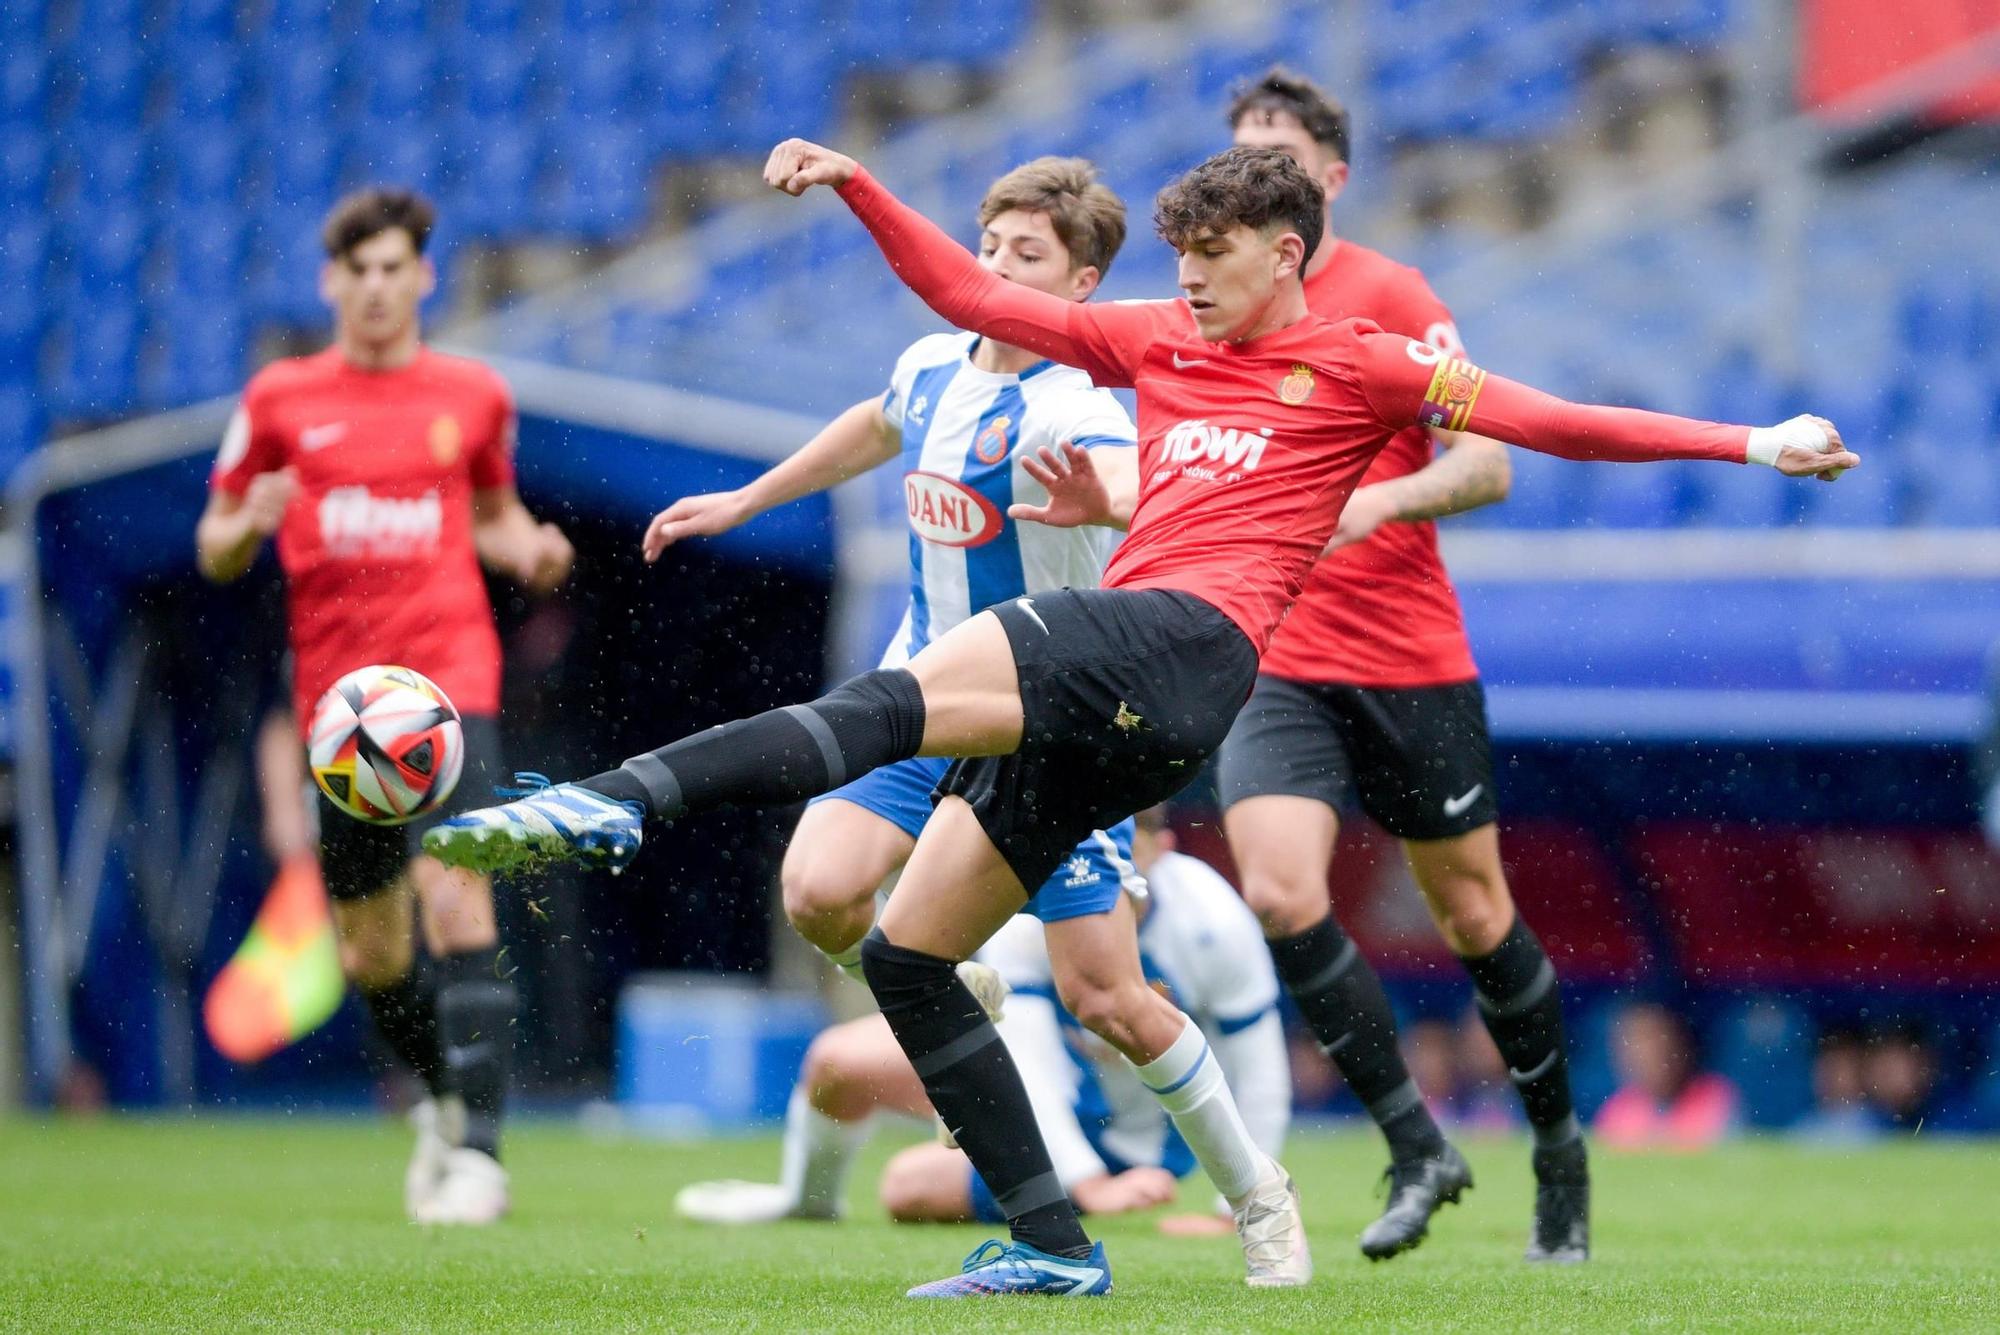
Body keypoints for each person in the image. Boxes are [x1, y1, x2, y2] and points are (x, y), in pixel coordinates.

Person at [424, 141, 1854, 1296]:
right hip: (1129, 692)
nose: (1193, 285)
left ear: (1285, 253)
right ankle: (1053, 1242)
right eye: (1178, 263)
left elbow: (1552, 421)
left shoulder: (1361, 359)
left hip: (1187, 645)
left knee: (887, 703)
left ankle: (605, 801)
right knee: (918, 955)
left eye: (1215, 260)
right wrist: (865, 188)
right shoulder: (1156, 341)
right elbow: (982, 307)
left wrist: (1753, 442)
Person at [1214, 67, 1586, 1263]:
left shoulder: (1390, 294)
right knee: (1276, 890)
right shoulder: (1209, 307)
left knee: (1473, 913)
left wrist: (1376, 507)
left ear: (1328, 178)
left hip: (1407, 657)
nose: (1251, 182)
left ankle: (1557, 1151)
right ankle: (1413, 1140)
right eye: (1236, 161)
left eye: (1273, 160)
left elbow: (1488, 464)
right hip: (1274, 658)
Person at [639, 156, 1144, 992]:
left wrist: (1107, 500)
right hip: (922, 693)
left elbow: (1132, 487)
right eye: (989, 247)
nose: (996, 270)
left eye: (1027, 255)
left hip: (1045, 724)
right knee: (816, 892)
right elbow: (875, 425)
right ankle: (939, 992)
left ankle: (1259, 1129)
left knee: (1108, 1003)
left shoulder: (1077, 401)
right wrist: (746, 500)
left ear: (1082, 282)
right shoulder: (932, 367)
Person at [195, 187, 575, 1225]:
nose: (373, 287)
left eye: (391, 268)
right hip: (341, 714)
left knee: (460, 896)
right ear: (330, 283)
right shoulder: (278, 399)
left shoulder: (472, 393)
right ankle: (443, 1106)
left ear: (422, 277)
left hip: (447, 691)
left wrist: (530, 546)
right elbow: (214, 544)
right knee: (371, 949)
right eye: (354, 271)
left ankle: (484, 1160)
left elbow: (493, 514)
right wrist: (248, 521)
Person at [674, 808, 1290, 1229]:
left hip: (1130, 1142)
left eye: (1128, 846)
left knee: (907, 1188)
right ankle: (806, 1204)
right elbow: (1026, 1056)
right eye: (1094, 846)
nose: (1107, 866)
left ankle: (1062, 1195)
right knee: (837, 1062)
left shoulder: (1213, 919)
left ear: (1162, 846)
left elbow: (1259, 1067)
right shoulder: (1042, 903)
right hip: (1038, 1091)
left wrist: (1229, 1208)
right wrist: (1081, 1185)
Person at [1593, 1002, 1740, 1149]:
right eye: (1633, 1043)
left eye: (1653, 1040)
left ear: (1680, 1043)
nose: (1644, 1054)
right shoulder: (1619, 1109)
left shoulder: (1715, 1097)